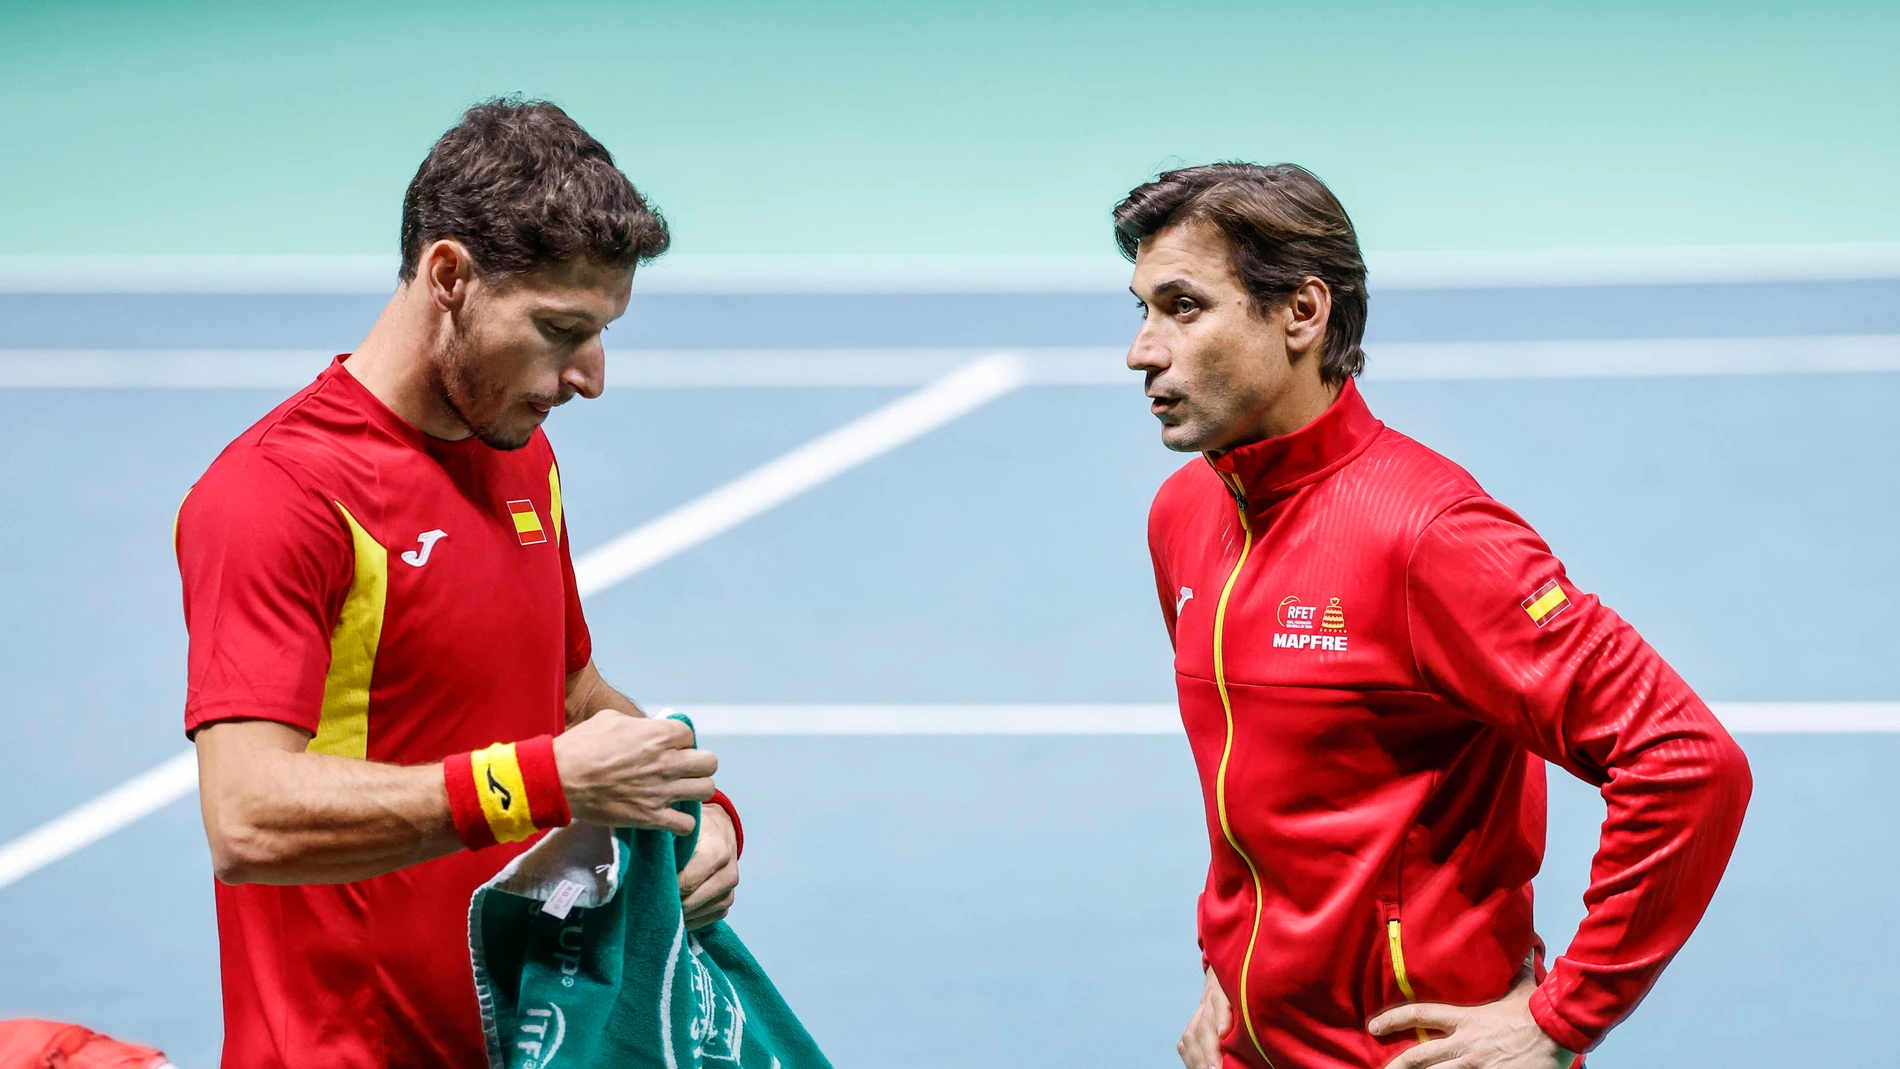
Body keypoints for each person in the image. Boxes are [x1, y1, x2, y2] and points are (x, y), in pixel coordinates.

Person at [1120, 163, 1752, 1069]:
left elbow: (1688, 764)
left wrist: (1562, 1017)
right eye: (1141, 308)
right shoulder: (1183, 516)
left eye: (1183, 307)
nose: (1143, 349)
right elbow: (1261, 793)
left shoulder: (1430, 537)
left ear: (1303, 312)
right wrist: (1226, 969)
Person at [174, 99, 744, 1067]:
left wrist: (688, 812)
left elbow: (567, 692)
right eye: (562, 329)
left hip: (513, 1042)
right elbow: (246, 816)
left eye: (603, 331)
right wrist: (543, 782)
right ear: (449, 276)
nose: (592, 377)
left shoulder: (523, 458)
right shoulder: (281, 495)